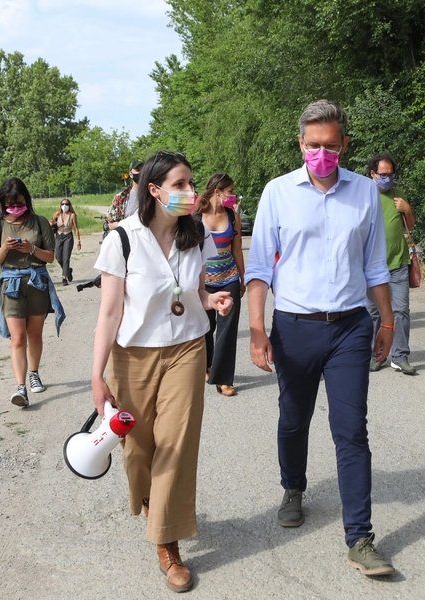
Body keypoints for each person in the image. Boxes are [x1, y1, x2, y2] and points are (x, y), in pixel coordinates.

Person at [246, 100, 396, 577]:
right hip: (294, 328)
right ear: (300, 144)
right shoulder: (277, 193)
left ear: (345, 144)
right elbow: (258, 267)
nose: (322, 154)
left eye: (331, 146)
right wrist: (256, 330)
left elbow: (375, 265)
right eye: (313, 146)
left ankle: (361, 537)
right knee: (294, 419)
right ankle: (293, 487)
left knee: (351, 430)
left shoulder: (365, 193)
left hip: (351, 326)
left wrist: (387, 322)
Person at [90, 151, 232, 593]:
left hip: (187, 350)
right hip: (133, 355)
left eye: (192, 184)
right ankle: (152, 501)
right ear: (154, 190)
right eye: (182, 185)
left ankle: (167, 543)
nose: (192, 193)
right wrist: (98, 376)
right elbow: (110, 312)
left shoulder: (198, 236)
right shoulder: (122, 240)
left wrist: (213, 302)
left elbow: (198, 292)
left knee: (175, 443)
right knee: (138, 448)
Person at [0, 177, 64, 408]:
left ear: (27, 200)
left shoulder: (40, 222)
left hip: (37, 283)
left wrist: (31, 249)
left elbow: (50, 257)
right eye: (11, 204)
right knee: (17, 338)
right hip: (11, 285)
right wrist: (5, 248)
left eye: (20, 203)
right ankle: (20, 388)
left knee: (34, 335)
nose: (16, 208)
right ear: (4, 204)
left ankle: (34, 373)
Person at [366, 151, 417, 375]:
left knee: (401, 311)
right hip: (372, 267)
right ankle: (377, 356)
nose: (387, 178)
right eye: (383, 174)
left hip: (398, 264)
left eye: (390, 174)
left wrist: (407, 209)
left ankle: (400, 356)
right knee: (373, 313)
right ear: (373, 174)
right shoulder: (363, 194)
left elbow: (410, 226)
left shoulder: (398, 194)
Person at [195, 173, 245, 397]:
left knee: (227, 331)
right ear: (217, 191)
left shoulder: (233, 217)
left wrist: (243, 278)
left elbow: (237, 250)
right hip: (203, 283)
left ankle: (223, 379)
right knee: (205, 329)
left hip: (229, 279)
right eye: (230, 191)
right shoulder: (196, 217)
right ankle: (207, 366)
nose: (233, 196)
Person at [50, 198, 81, 286]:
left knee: (66, 258)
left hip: (68, 236)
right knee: (58, 257)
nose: (65, 206)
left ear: (69, 205)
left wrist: (78, 241)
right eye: (63, 204)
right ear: (60, 205)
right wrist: (51, 223)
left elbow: (76, 228)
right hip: (59, 236)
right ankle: (68, 270)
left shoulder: (72, 215)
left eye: (67, 204)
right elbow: (50, 223)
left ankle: (64, 278)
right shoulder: (57, 214)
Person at [107, 159, 144, 230]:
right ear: (130, 174)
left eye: (144, 170)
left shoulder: (154, 195)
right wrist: (129, 224)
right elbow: (111, 224)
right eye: (138, 170)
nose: (141, 173)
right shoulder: (121, 197)